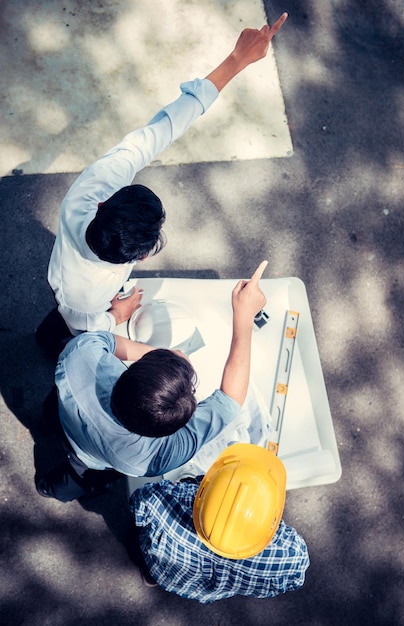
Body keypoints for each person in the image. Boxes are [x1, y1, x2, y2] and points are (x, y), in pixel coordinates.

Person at [35, 13, 288, 358]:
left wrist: (237, 60)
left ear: (103, 204)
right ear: (138, 255)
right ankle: (46, 344)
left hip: (82, 287)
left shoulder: (92, 189)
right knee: (61, 332)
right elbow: (84, 326)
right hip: (76, 303)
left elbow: (162, 130)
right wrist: (115, 317)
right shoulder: (82, 293)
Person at [35, 261, 268, 501]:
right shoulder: (157, 457)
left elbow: (104, 341)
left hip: (63, 413)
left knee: (49, 416)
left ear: (133, 373)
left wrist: (160, 358)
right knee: (75, 481)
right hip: (90, 460)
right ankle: (48, 489)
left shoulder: (81, 356)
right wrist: (245, 317)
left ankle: (43, 425)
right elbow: (231, 398)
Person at [128, 443, 310, 602]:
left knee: (149, 559)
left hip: (165, 572)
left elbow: (137, 504)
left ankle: (151, 577)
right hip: (203, 591)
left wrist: (190, 483)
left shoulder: (163, 499)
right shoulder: (291, 556)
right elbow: (294, 581)